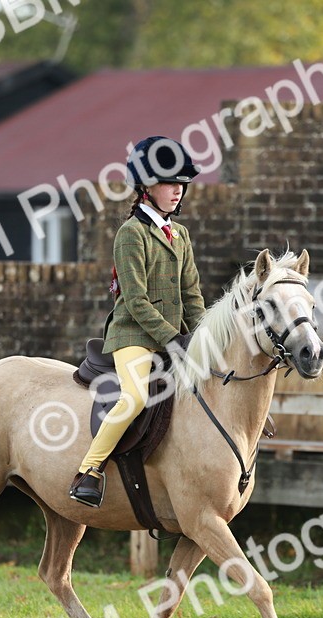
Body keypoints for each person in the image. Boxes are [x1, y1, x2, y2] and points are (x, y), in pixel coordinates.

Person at [69, 136, 205, 507]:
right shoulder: (131, 233)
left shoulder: (180, 235)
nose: (177, 191)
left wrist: (206, 335)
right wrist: (173, 338)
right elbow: (136, 300)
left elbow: (191, 295)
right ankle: (89, 471)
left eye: (181, 184)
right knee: (134, 397)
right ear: (146, 187)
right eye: (168, 183)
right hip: (134, 335)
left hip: (171, 336)